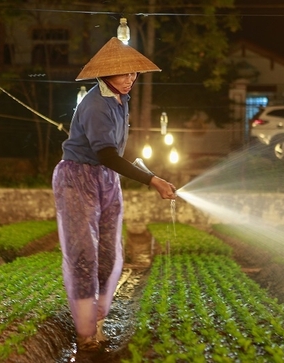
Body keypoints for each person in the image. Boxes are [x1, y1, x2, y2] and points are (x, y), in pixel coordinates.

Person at [52, 37, 177, 353]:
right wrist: (151, 180)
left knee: (108, 253)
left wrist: (145, 169)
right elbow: (106, 154)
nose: (130, 78)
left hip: (105, 179)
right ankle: (85, 334)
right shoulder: (95, 104)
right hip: (77, 178)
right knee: (84, 254)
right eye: (123, 74)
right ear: (105, 74)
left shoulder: (122, 100)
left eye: (133, 73)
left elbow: (118, 150)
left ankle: (97, 323)